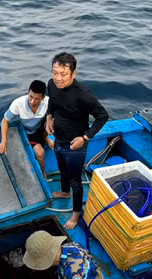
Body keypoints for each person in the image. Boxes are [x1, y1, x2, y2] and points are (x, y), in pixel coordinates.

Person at [46, 52, 109, 230]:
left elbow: (103, 116)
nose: (58, 78)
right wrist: (49, 117)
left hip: (76, 145)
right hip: (58, 139)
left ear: (73, 74)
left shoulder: (84, 95)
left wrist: (85, 137)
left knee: (75, 180)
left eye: (63, 74)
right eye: (55, 73)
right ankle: (65, 192)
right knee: (62, 170)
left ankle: (75, 214)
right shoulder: (51, 84)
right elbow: (52, 101)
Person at [0, 80, 54, 174]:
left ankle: (45, 137)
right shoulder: (18, 103)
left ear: (43, 98)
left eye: (36, 99)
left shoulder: (48, 102)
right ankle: (43, 174)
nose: (32, 101)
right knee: (40, 153)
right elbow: (5, 120)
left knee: (54, 119)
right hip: (29, 132)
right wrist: (3, 141)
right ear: (28, 92)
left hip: (41, 129)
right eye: (30, 96)